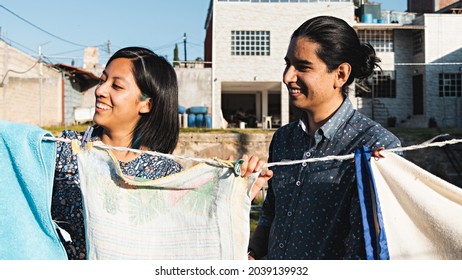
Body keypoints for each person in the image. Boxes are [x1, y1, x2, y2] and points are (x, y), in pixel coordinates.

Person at [51, 46, 272, 260]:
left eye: (116, 86)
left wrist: (233, 194)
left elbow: (188, 239)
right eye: (103, 80)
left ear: (147, 104)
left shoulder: (165, 174)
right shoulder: (66, 148)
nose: (100, 90)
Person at [248, 16, 401, 260]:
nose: (288, 76)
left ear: (340, 74)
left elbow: (370, 247)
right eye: (288, 64)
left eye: (303, 67)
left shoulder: (376, 148)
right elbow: (270, 214)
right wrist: (251, 256)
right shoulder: (284, 139)